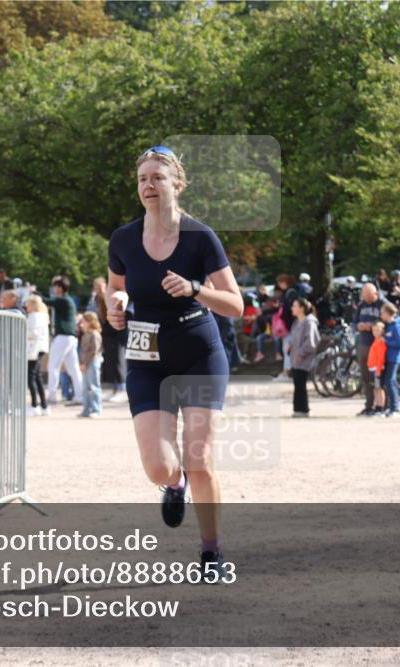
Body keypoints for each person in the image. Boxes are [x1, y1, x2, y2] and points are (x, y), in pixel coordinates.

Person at [105, 144, 242, 581]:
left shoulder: (200, 238)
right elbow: (116, 289)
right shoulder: (123, 239)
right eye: (143, 178)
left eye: (158, 178)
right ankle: (174, 484)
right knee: (159, 467)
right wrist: (116, 304)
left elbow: (235, 305)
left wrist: (195, 289)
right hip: (147, 356)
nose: (149, 185)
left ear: (177, 185)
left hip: (198, 351)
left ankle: (212, 554)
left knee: (200, 458)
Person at [42, 276, 83, 406]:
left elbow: (46, 301)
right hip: (70, 338)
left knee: (53, 366)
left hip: (63, 337)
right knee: (73, 369)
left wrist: (33, 292)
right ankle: (80, 396)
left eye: (56, 286)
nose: (54, 288)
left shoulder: (63, 300)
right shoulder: (67, 300)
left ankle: (52, 397)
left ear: (60, 288)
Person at [354, 283, 388, 416]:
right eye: (364, 296)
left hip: (379, 345)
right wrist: (359, 326)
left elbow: (390, 320)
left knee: (380, 378)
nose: (366, 299)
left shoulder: (383, 304)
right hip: (364, 343)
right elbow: (354, 322)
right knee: (366, 377)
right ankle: (369, 406)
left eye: (369, 297)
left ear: (376, 294)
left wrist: (374, 326)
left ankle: (383, 406)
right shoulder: (361, 305)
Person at [287, 297, 320, 417]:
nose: (292, 308)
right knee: (297, 383)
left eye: (295, 306)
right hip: (295, 358)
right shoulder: (297, 322)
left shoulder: (309, 322)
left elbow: (311, 342)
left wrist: (300, 354)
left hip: (303, 359)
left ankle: (303, 409)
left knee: (301, 384)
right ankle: (298, 409)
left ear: (301, 308)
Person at [379, 302, 400, 417]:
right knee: (388, 382)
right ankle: (390, 407)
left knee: (390, 381)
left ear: (388, 313)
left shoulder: (395, 325)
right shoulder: (388, 325)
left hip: (394, 357)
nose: (381, 314)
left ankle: (396, 408)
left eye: (382, 312)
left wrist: (386, 341)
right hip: (388, 357)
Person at [25, 295, 50, 416]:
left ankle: (35, 404)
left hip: (33, 349)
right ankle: (44, 405)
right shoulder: (43, 316)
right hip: (40, 348)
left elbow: (33, 333)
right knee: (38, 377)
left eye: (28, 304)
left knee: (31, 377)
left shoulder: (34, 316)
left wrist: (23, 332)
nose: (26, 306)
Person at [77, 311, 104, 418]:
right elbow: (81, 351)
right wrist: (81, 363)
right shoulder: (85, 334)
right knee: (85, 387)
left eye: (83, 321)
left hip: (92, 363)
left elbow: (94, 351)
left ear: (90, 322)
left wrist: (85, 363)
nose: (81, 324)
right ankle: (86, 409)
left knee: (94, 387)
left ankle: (96, 409)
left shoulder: (94, 334)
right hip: (85, 364)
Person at [365, 320, 388, 417]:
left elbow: (381, 357)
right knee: (376, 389)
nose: (375, 332)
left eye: (378, 330)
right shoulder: (376, 341)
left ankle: (380, 407)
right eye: (374, 330)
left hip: (378, 369)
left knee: (379, 389)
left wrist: (378, 370)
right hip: (373, 368)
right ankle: (377, 406)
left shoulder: (381, 342)